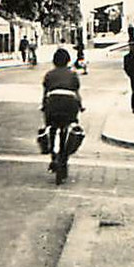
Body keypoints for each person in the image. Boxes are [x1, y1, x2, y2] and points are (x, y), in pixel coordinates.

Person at [40, 47, 82, 182]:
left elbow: (45, 93)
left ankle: (53, 153)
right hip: (69, 104)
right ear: (68, 61)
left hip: (53, 104)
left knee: (50, 126)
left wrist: (43, 106)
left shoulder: (49, 75)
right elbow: (76, 93)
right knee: (70, 127)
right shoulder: (73, 74)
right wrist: (80, 106)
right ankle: (64, 156)